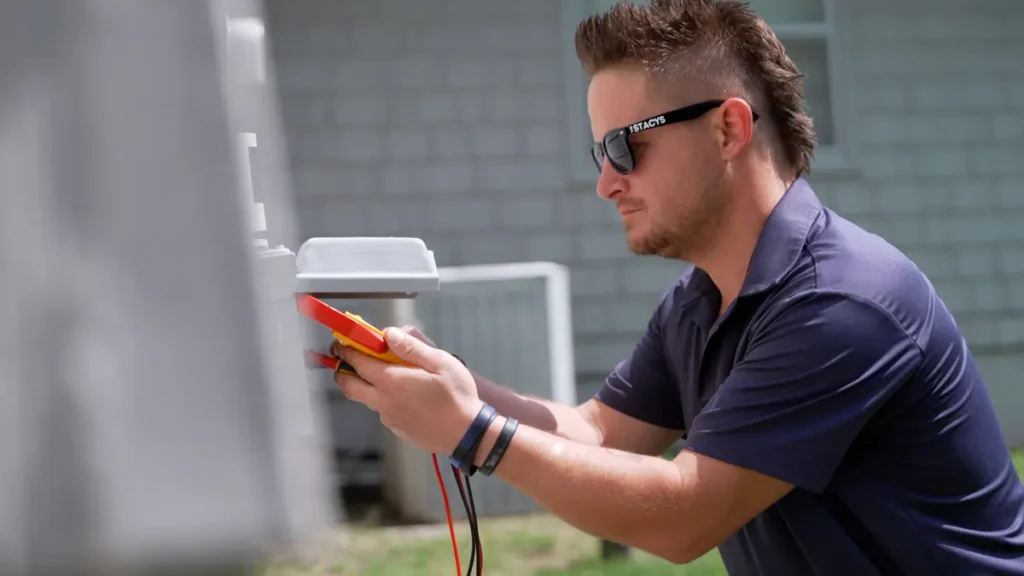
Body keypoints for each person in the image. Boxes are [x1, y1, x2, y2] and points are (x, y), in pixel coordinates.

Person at [331, 0, 1024, 574]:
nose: (607, 182)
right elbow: (597, 433)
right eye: (598, 154)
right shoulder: (701, 301)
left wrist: (473, 432)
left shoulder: (843, 302)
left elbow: (687, 514)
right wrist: (446, 383)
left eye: (625, 148)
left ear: (728, 128)